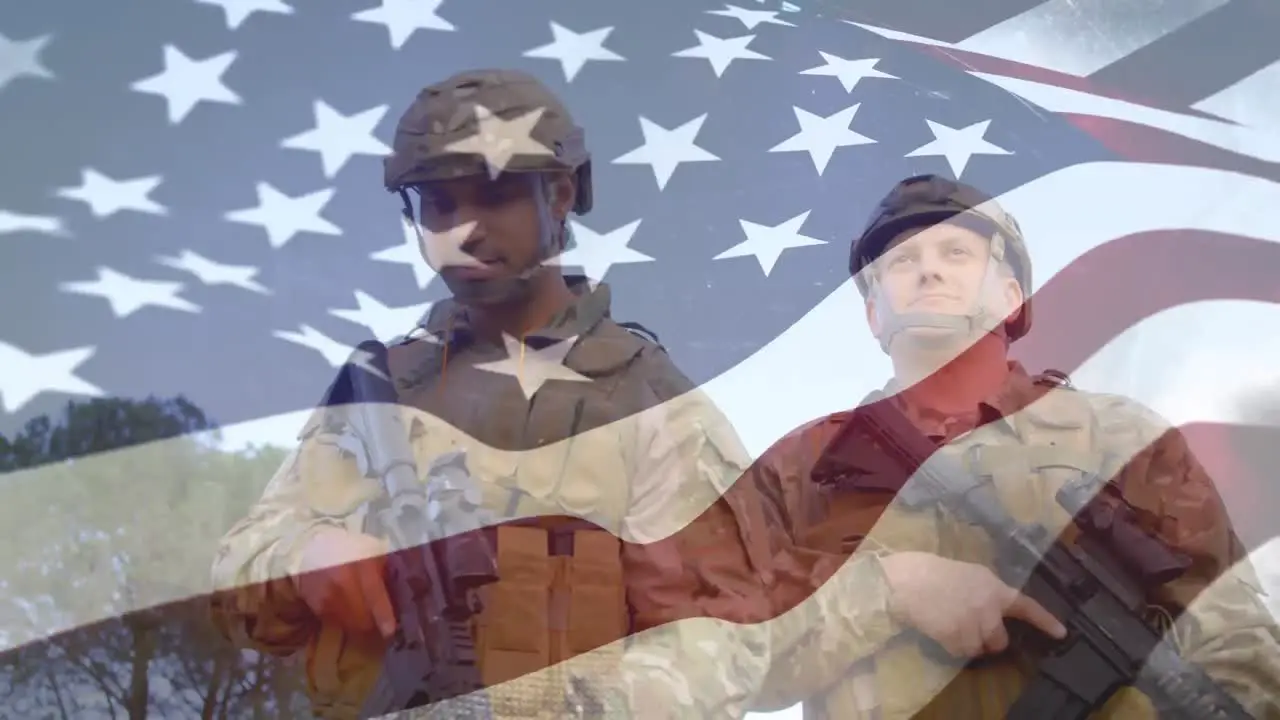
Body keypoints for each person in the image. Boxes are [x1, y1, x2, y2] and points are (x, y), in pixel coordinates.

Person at [207, 68, 783, 719]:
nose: (465, 229)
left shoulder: (645, 402)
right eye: (439, 205)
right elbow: (238, 579)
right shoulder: (384, 393)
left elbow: (723, 639)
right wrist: (303, 557)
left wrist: (566, 706)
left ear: (560, 194)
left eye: (492, 195)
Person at [742, 174, 1280, 720]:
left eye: (955, 251)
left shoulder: (1116, 434)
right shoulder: (807, 463)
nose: (928, 269)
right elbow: (711, 658)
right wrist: (890, 590)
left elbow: (1232, 634)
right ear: (873, 314)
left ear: (1010, 296)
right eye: (901, 262)